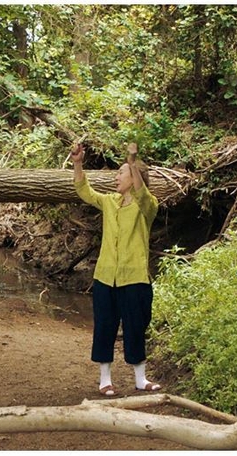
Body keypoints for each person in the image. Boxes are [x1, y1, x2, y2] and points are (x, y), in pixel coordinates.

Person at [71, 142, 162, 397]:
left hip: (134, 278)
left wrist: (132, 161)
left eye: (121, 173)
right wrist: (78, 162)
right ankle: (105, 380)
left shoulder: (147, 206)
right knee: (105, 327)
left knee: (135, 327)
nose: (116, 177)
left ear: (134, 178)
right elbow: (84, 190)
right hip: (105, 278)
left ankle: (141, 379)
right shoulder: (110, 201)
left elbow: (143, 194)